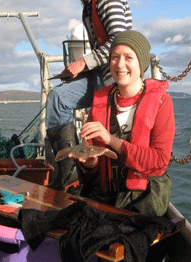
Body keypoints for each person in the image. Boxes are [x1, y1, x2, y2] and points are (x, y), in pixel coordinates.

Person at [69, 30, 175, 216]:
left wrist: (111, 140)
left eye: (129, 57)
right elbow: (94, 165)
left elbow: (159, 162)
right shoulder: (100, 100)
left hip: (143, 199)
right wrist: (91, 163)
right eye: (115, 57)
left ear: (141, 63)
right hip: (106, 195)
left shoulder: (162, 102)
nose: (120, 64)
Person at [46, 0, 133, 190]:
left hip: (116, 78)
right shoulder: (89, 5)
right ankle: (69, 174)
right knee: (58, 98)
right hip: (101, 73)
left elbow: (119, 42)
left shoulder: (108, 1)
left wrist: (82, 64)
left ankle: (77, 175)